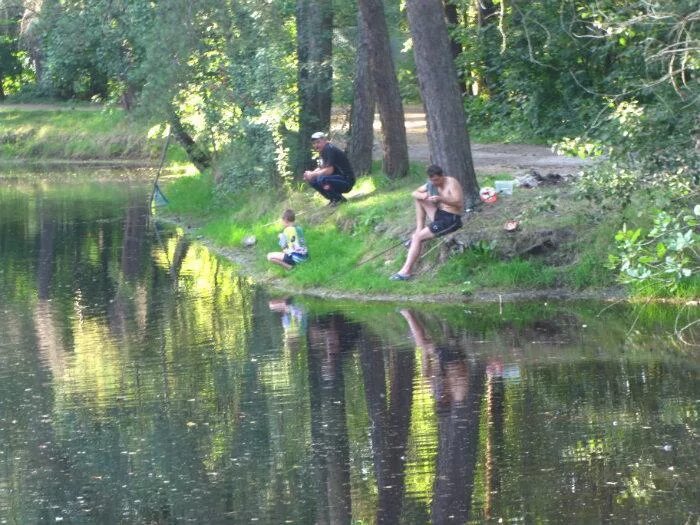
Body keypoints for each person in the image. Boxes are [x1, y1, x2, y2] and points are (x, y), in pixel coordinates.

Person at [390, 164, 464, 281]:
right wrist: (423, 195)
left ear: (442, 176)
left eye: (437, 180)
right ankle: (419, 229)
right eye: (432, 180)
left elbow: (459, 204)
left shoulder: (452, 182)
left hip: (451, 219)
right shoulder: (431, 183)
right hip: (439, 214)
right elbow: (414, 193)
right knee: (419, 199)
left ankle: (406, 271)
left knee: (417, 238)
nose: (435, 183)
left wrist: (441, 199)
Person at [303, 132, 355, 206]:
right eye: (314, 143)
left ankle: (339, 199)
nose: (316, 145)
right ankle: (333, 198)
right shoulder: (323, 151)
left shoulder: (329, 149)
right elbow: (322, 168)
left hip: (346, 181)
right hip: (338, 179)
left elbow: (329, 170)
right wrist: (310, 175)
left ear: (325, 140)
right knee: (313, 180)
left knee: (322, 179)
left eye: (318, 142)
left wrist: (313, 174)